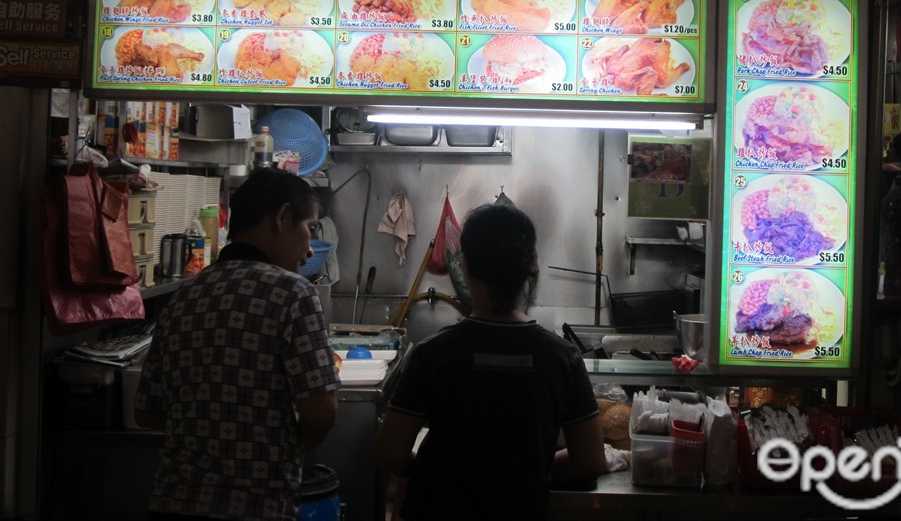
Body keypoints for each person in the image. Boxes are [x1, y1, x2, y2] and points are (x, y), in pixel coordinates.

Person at [374, 202, 607, 520]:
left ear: (465, 266)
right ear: (533, 265)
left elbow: (389, 453)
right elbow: (591, 460)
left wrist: (439, 473)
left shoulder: (432, 354)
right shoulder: (563, 358)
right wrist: (525, 472)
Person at [135, 167, 340, 521]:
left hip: (173, 503)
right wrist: (277, 446)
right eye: (309, 229)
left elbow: (147, 412)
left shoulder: (185, 295)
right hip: (255, 507)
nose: (309, 250)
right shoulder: (294, 294)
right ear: (283, 217)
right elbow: (321, 413)